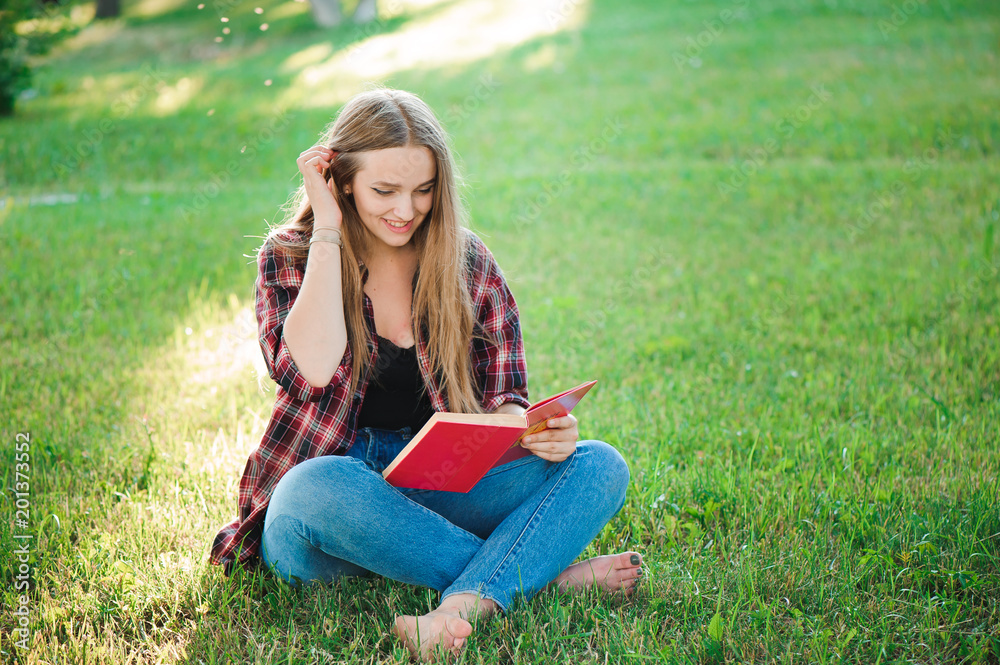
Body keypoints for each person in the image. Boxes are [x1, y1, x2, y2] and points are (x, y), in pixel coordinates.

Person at [209, 87, 643, 660]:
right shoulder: (290, 255)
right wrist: (328, 231)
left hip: (434, 491)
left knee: (598, 466)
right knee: (311, 486)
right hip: (329, 518)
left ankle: (461, 604)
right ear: (342, 182)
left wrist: (535, 436)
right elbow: (311, 371)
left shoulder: (467, 262)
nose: (405, 210)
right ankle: (531, 576)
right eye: (384, 190)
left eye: (423, 190)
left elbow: (504, 401)